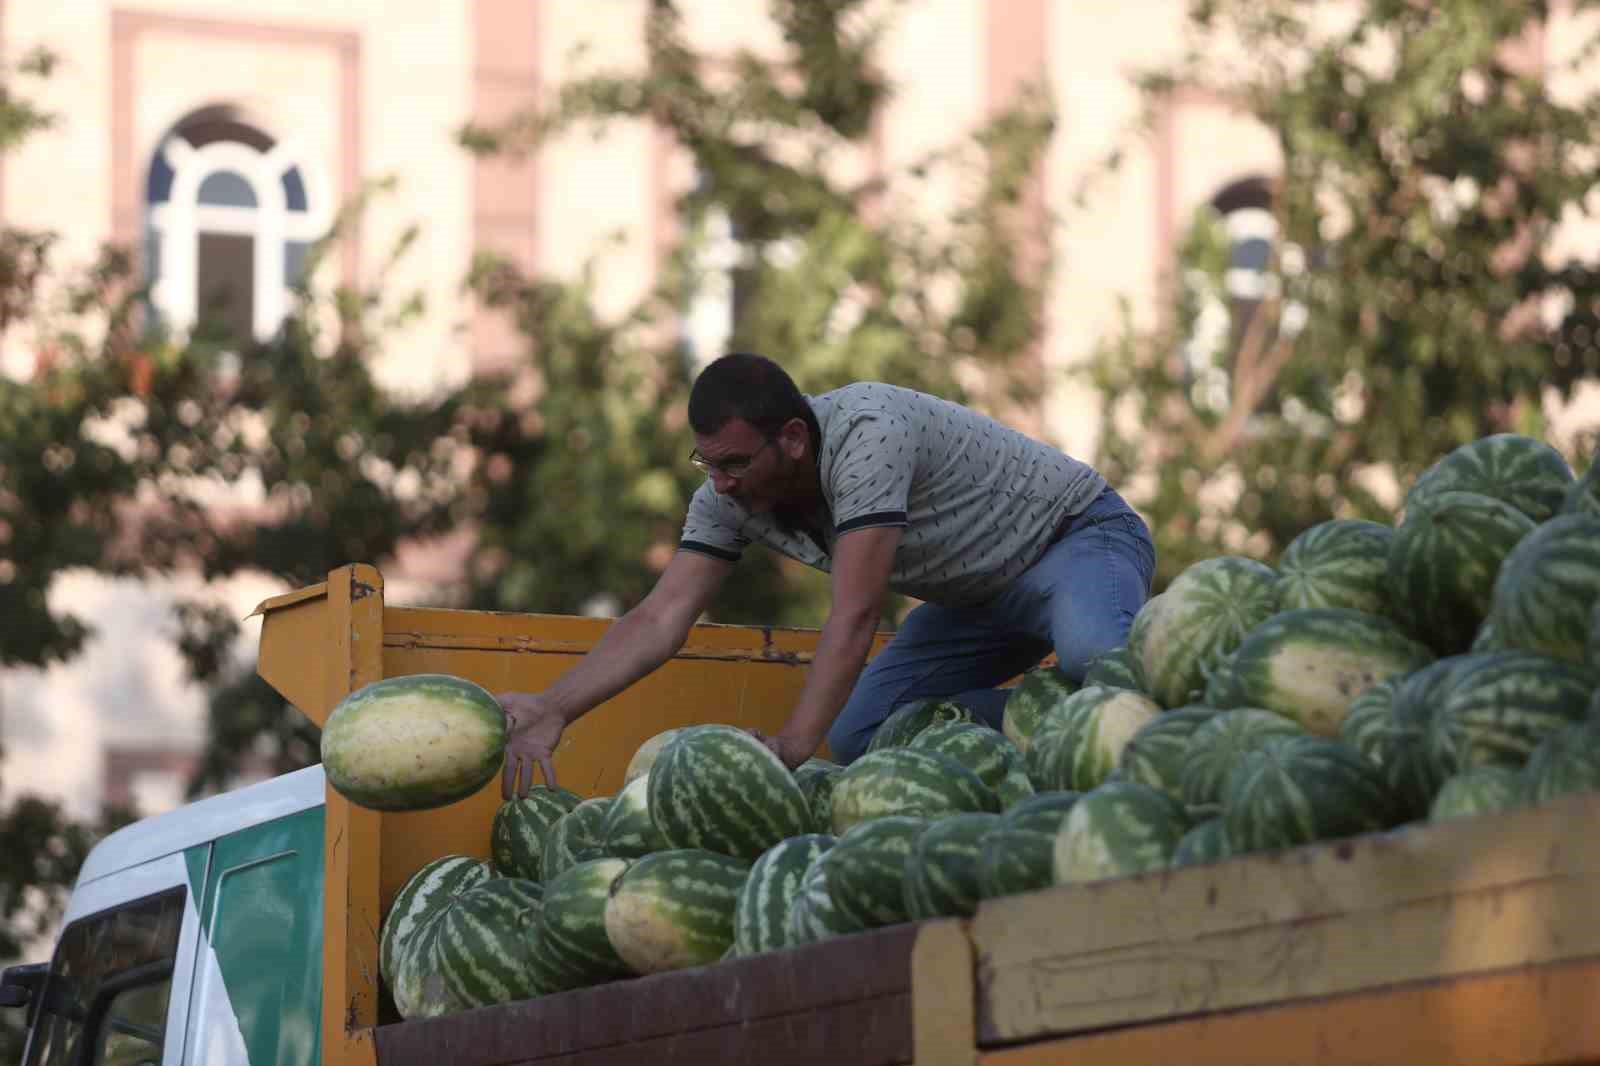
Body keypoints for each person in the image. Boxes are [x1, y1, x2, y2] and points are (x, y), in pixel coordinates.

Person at [497, 352, 1154, 797]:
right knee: (863, 736)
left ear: (792, 438)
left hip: (1076, 539)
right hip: (978, 601)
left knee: (1099, 658)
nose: (721, 484)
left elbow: (856, 615)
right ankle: (1050, 725)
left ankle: (1170, 724)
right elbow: (661, 616)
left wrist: (789, 746)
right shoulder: (729, 497)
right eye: (707, 466)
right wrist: (553, 709)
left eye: (732, 464)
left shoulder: (868, 434)